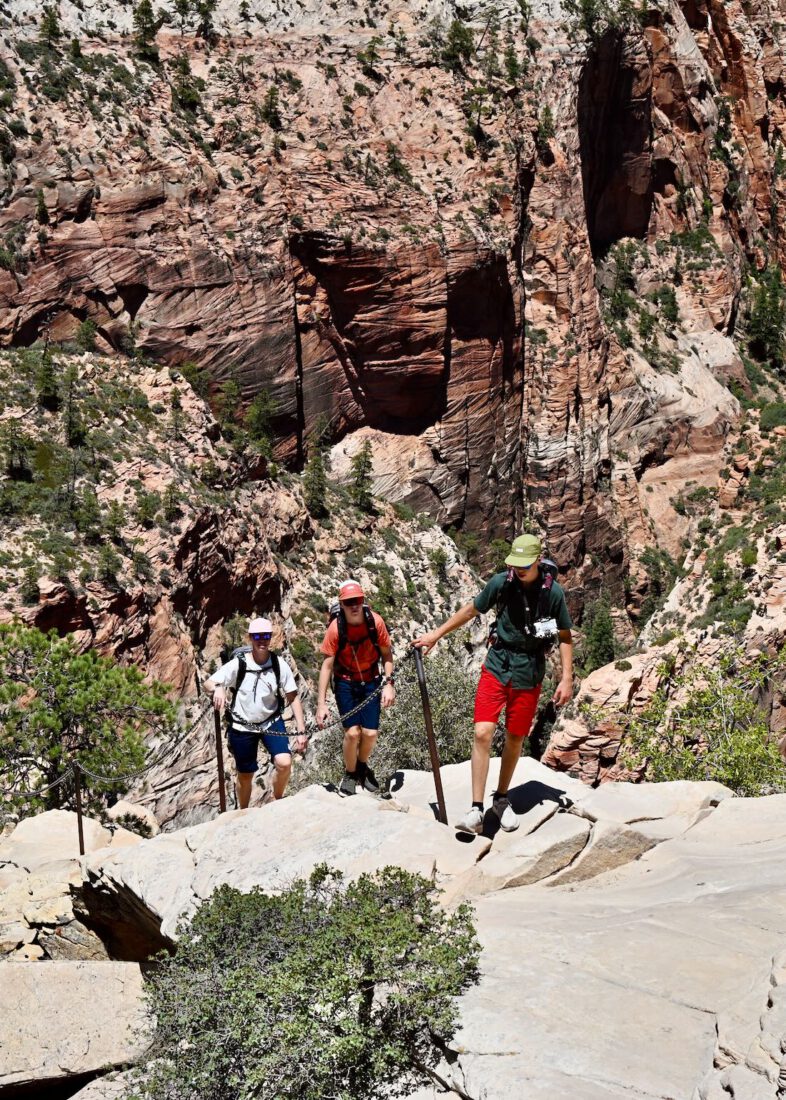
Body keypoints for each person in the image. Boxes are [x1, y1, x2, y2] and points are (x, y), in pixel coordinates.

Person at [412, 534, 573, 834]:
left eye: (525, 564)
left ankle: (501, 798)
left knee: (514, 737)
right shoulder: (502, 583)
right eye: (516, 564)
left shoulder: (554, 594)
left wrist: (566, 677)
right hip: (497, 666)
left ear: (538, 560)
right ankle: (476, 808)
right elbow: (472, 610)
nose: (519, 569)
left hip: (529, 672)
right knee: (482, 732)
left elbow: (564, 634)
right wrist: (435, 634)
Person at [205, 616, 307, 808]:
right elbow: (208, 683)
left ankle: (276, 800)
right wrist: (218, 687)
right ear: (250, 638)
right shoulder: (239, 664)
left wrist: (301, 731)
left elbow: (293, 697)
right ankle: (242, 812)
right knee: (245, 775)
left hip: (270, 720)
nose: (262, 640)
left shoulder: (278, 664)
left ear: (271, 638)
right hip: (242, 726)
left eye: (266, 636)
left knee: (284, 762)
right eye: (258, 636)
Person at [316, 580, 395, 796]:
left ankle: (361, 766)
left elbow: (387, 655)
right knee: (352, 734)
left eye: (357, 600)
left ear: (363, 601)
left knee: (370, 733)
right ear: (341, 605)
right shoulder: (335, 628)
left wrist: (389, 685)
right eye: (348, 602)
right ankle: (350, 774)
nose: (354, 606)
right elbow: (326, 666)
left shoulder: (375, 622)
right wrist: (321, 704)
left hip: (371, 680)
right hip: (345, 683)